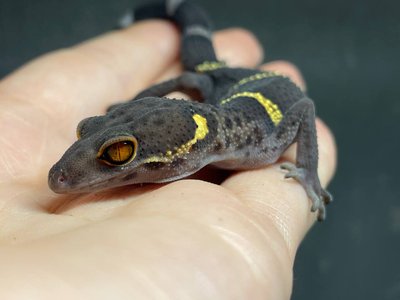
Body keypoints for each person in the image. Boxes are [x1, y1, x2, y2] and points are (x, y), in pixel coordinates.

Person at [0, 20, 336, 299]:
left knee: (196, 79)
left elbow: (303, 109)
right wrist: (132, 107)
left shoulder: (261, 142)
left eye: (117, 154)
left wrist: (309, 171)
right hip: (224, 90)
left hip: (251, 88)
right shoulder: (210, 132)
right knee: (195, 79)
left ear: (182, 153)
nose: (62, 177)